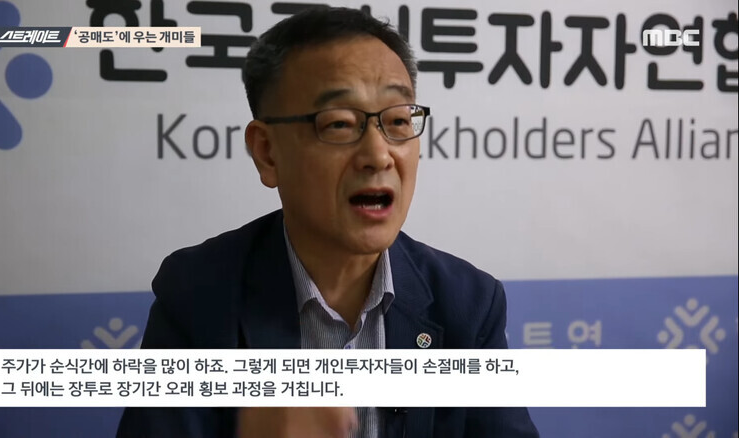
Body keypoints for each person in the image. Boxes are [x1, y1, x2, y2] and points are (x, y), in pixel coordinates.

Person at [117, 6, 539, 438]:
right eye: (339, 124)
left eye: (397, 121)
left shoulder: (467, 303)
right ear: (267, 152)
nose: (378, 155)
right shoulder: (198, 293)